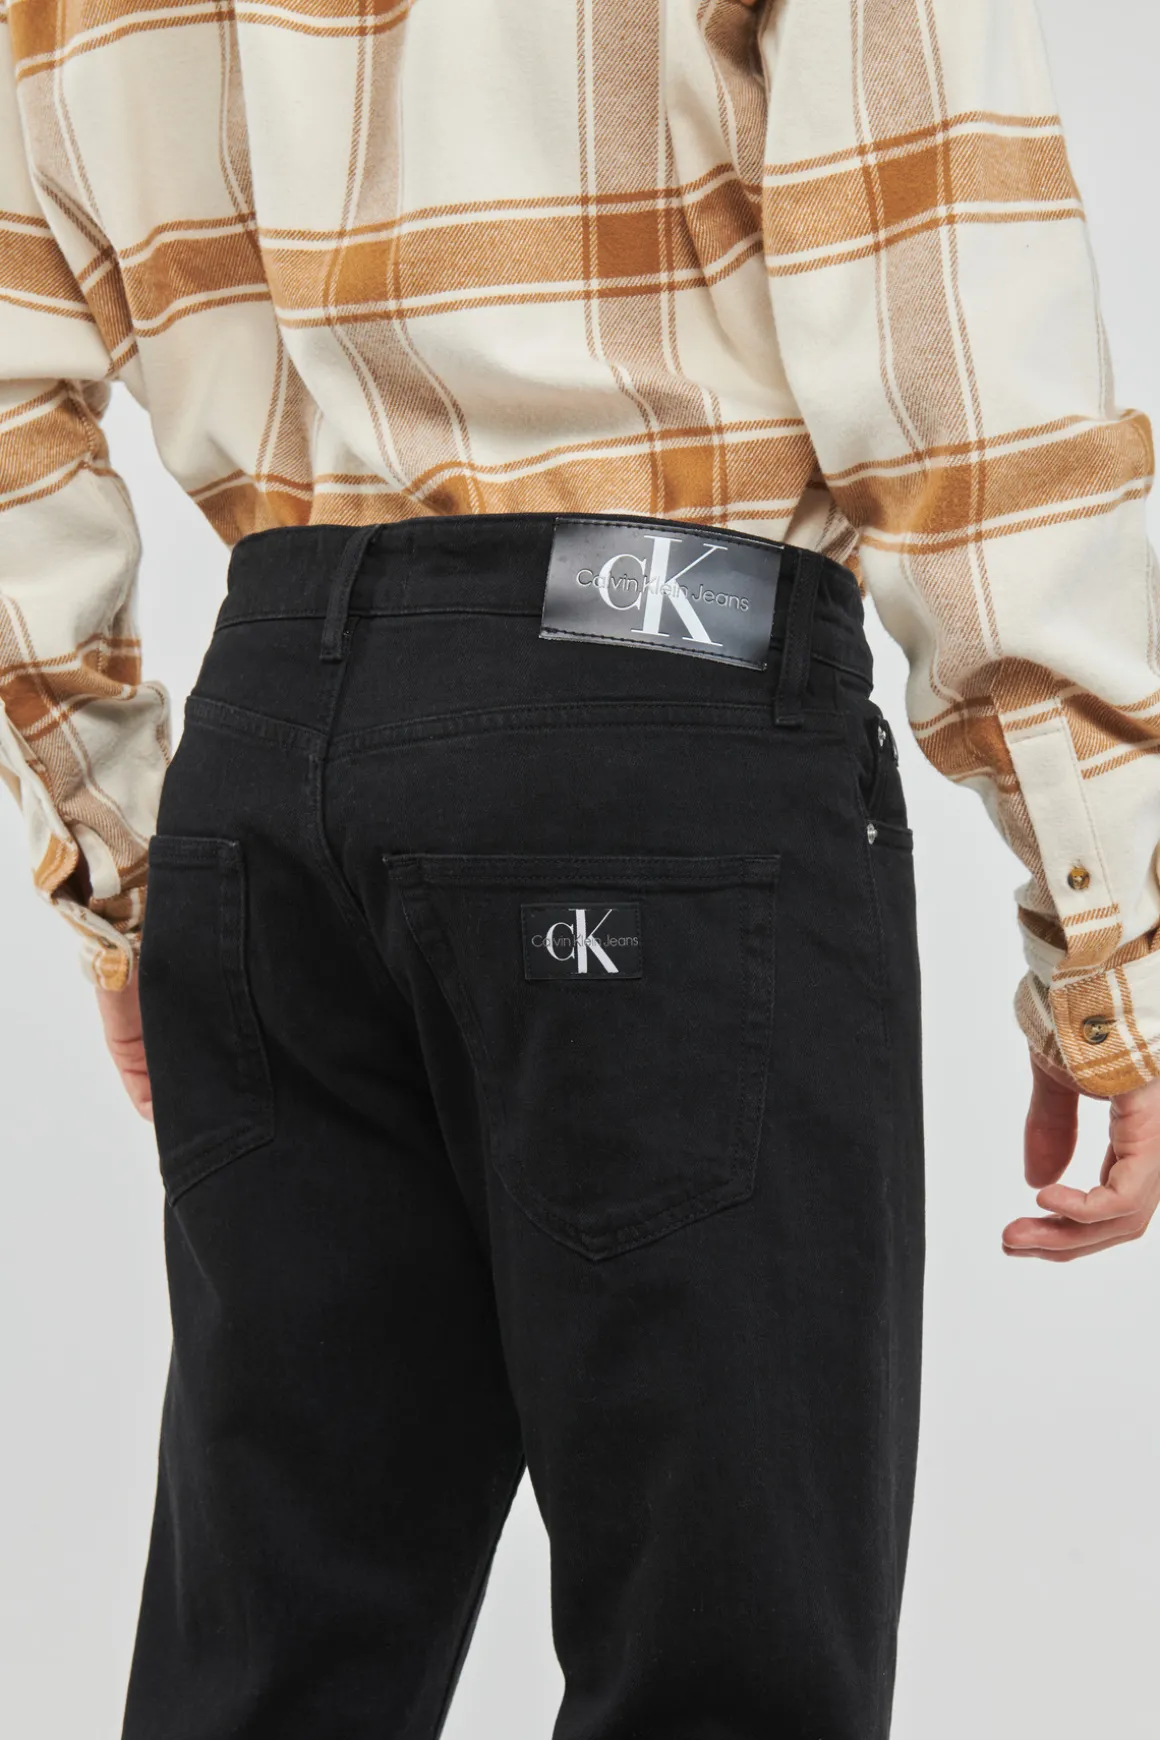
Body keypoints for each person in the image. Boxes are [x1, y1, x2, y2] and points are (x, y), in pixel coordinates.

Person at [1, 0, 1158, 1734]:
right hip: (662, 715)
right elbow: (949, 335)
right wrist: (1109, 927)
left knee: (269, 1671)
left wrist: (123, 866)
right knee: (727, 1672)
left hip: (276, 740)